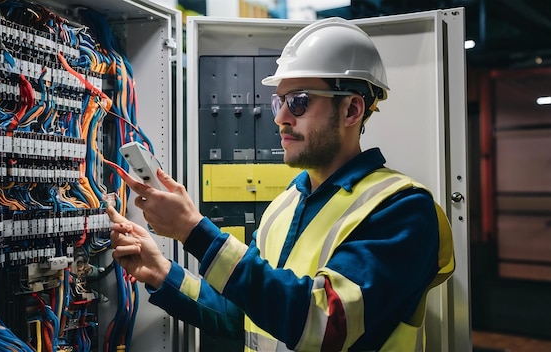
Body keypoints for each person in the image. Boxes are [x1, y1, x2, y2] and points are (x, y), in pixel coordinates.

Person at [107, 17, 455, 352]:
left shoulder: (402, 209)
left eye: (299, 102)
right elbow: (241, 316)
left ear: (351, 110)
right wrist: (161, 272)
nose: (280, 118)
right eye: (279, 101)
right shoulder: (283, 207)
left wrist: (194, 231)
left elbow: (326, 325)